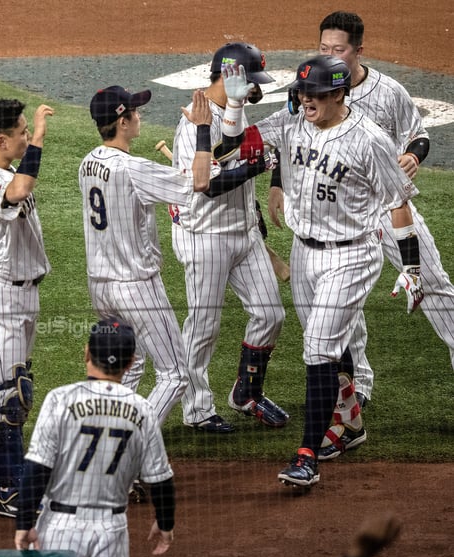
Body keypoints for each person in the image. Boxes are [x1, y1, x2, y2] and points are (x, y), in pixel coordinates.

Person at [214, 56, 423, 487]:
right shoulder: (290, 122)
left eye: (317, 94)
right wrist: (234, 109)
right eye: (303, 92)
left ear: (340, 94)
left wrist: (413, 266)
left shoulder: (370, 139)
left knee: (317, 348)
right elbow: (233, 146)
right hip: (305, 252)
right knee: (330, 344)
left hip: (352, 255)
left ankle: (306, 456)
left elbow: (398, 201)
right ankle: (350, 424)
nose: (307, 99)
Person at [269, 11, 454, 459]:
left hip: (388, 212)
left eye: (339, 48)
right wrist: (278, 180)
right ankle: (352, 400)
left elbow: (420, 136)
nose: (331, 53)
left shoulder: (388, 92)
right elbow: (291, 139)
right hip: (332, 222)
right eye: (325, 46)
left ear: (358, 50)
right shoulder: (311, 93)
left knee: (435, 289)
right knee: (338, 318)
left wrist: (412, 155)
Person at [78, 85, 219, 430]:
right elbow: (199, 182)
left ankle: (105, 436)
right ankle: (128, 444)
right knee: (175, 374)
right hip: (136, 287)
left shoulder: (87, 163)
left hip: (101, 286)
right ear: (122, 122)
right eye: (135, 112)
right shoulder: (132, 168)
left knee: (131, 363)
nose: (140, 116)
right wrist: (203, 130)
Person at [170, 42, 288, 433]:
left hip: (243, 234)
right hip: (204, 235)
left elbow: (241, 161)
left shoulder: (236, 110)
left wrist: (259, 228)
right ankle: (196, 408)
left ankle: (246, 392)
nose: (256, 88)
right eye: (250, 80)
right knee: (204, 326)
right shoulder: (194, 121)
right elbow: (208, 187)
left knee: (270, 314)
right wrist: (257, 166)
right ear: (229, 76)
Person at [14, 318, 176, 557]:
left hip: (60, 528)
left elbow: (37, 469)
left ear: (86, 352)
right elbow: (161, 479)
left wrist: (24, 522)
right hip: (111, 532)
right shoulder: (143, 410)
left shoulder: (60, 400)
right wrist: (165, 523)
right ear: (131, 362)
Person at [0, 99, 54, 518]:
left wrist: (31, 141)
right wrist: (38, 140)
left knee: (8, 384)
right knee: (11, 396)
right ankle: (10, 488)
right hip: (0, 295)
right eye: (20, 132)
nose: (25, 136)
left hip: (22, 294)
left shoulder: (3, 172)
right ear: (1, 141)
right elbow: (19, 190)